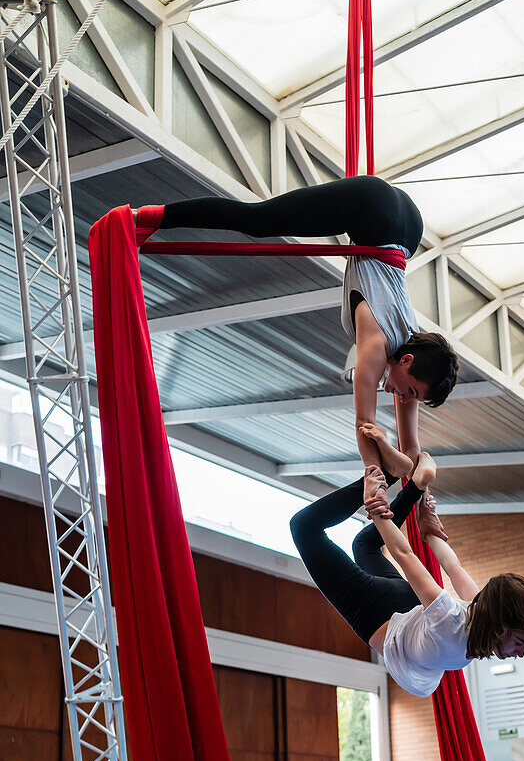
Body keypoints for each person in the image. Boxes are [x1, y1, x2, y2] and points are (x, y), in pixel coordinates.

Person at [135, 178, 459, 519]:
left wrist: (423, 505)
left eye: (412, 397)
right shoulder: (377, 348)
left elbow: (411, 450)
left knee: (259, 220)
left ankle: (151, 218)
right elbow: (364, 423)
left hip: (406, 232)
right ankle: (150, 217)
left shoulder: (414, 346)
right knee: (257, 220)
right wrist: (373, 479)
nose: (403, 397)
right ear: (406, 361)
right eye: (409, 390)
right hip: (372, 210)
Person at [289, 453, 524, 699]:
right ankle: (386, 476)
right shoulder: (449, 623)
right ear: (499, 623)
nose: (521, 653)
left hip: (407, 608)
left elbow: (454, 567)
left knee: (364, 545)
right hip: (378, 614)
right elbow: (404, 555)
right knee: (304, 528)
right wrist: (374, 506)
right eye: (520, 642)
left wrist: (430, 528)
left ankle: (409, 482)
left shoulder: (476, 610)